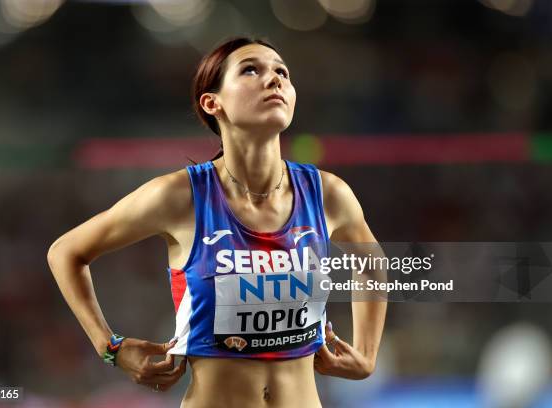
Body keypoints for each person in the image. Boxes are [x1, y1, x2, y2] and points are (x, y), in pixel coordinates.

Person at [47, 36, 386, 408]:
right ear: (213, 102)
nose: (274, 79)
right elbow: (65, 252)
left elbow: (371, 264)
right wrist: (110, 347)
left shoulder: (327, 194)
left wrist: (367, 354)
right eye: (251, 70)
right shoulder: (180, 197)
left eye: (282, 72)